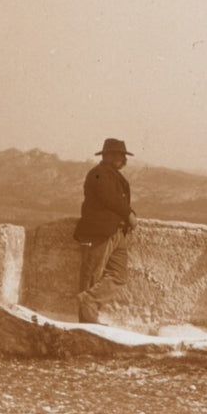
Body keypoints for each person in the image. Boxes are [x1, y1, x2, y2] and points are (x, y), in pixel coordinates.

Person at [72, 137, 137, 324]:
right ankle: (87, 323)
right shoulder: (98, 173)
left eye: (123, 155)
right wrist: (129, 214)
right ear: (107, 155)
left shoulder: (112, 174)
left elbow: (117, 200)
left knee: (119, 276)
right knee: (92, 275)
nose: (122, 159)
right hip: (99, 232)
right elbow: (109, 198)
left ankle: (88, 300)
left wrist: (128, 215)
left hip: (116, 232)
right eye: (118, 155)